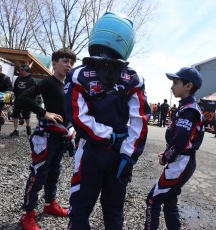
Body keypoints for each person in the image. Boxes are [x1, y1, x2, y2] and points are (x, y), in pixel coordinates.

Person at [64, 12, 151, 230]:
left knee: (80, 211)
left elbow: (77, 116)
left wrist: (105, 135)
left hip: (90, 151)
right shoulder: (134, 78)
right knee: (113, 213)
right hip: (120, 154)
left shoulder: (78, 74)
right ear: (127, 41)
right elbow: (140, 120)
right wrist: (128, 154)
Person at [16, 48, 77, 230]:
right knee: (39, 174)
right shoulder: (48, 82)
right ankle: (28, 214)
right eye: (65, 61)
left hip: (61, 137)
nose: (69, 65)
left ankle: (50, 204)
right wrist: (44, 113)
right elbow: (22, 98)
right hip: (46, 137)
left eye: (71, 62)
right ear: (55, 62)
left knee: (54, 173)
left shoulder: (67, 85)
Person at [144, 67, 205, 230]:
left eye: (176, 83)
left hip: (182, 162)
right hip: (182, 160)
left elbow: (180, 141)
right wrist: (168, 152)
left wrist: (166, 157)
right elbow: (181, 140)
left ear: (188, 86)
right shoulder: (186, 107)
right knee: (169, 202)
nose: (172, 87)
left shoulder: (190, 110)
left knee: (153, 200)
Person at [9, 64, 36, 137]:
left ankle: (28, 126)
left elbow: (35, 91)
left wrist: (32, 101)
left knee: (26, 116)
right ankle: (16, 130)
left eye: (21, 70)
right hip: (18, 100)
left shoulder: (32, 80)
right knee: (15, 115)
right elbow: (15, 89)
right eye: (20, 70)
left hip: (27, 100)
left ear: (26, 70)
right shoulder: (18, 78)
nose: (20, 71)